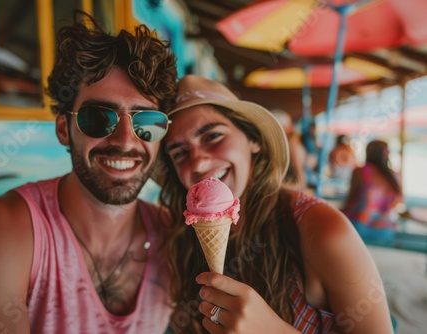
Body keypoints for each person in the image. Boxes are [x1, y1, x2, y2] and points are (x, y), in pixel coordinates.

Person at [0, 12, 178, 333]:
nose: (126, 141)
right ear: (64, 130)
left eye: (146, 124)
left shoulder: (174, 237)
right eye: (98, 118)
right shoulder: (2, 228)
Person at [158, 75, 393, 333]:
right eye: (179, 152)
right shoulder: (181, 238)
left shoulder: (324, 229)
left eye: (213, 136)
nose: (198, 163)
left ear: (254, 140)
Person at [342, 140, 402, 243]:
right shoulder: (395, 176)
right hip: (385, 231)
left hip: (358, 228)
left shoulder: (361, 171)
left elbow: (351, 200)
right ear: (387, 154)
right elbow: (396, 203)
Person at [271, 109, 308, 192]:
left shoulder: (292, 143)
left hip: (291, 190)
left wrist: (275, 185)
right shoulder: (289, 143)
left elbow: (300, 181)